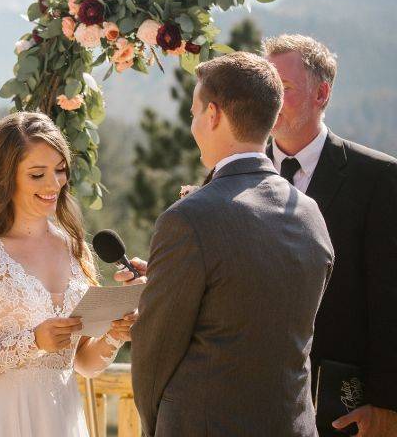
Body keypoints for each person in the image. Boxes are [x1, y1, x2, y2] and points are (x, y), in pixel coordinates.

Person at [126, 52, 334, 436]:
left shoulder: (189, 219)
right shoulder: (311, 214)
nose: (192, 125)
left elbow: (154, 354)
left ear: (214, 115)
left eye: (194, 112)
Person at [0, 112, 136, 437]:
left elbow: (83, 362)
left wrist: (114, 335)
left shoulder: (77, 250)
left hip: (60, 419)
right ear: (4, 178)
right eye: (37, 174)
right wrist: (33, 341)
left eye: (59, 170)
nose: (54, 184)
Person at [264, 34, 397, 436]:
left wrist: (388, 403)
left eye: (283, 89)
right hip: (248, 401)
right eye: (266, 88)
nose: (270, 99)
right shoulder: (230, 173)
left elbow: (390, 298)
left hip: (339, 403)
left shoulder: (379, 178)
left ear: (321, 93)